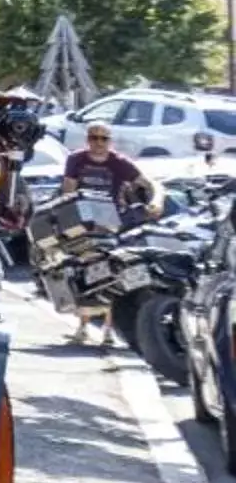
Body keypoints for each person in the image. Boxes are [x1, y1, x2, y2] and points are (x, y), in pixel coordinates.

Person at [60, 123, 151, 346]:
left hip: (110, 224)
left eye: (104, 139)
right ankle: (83, 327)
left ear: (110, 141)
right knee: (83, 274)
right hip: (84, 223)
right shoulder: (76, 159)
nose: (99, 143)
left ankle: (108, 330)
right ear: (88, 139)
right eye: (94, 138)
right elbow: (68, 189)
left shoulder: (119, 163)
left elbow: (147, 183)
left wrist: (153, 202)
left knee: (109, 275)